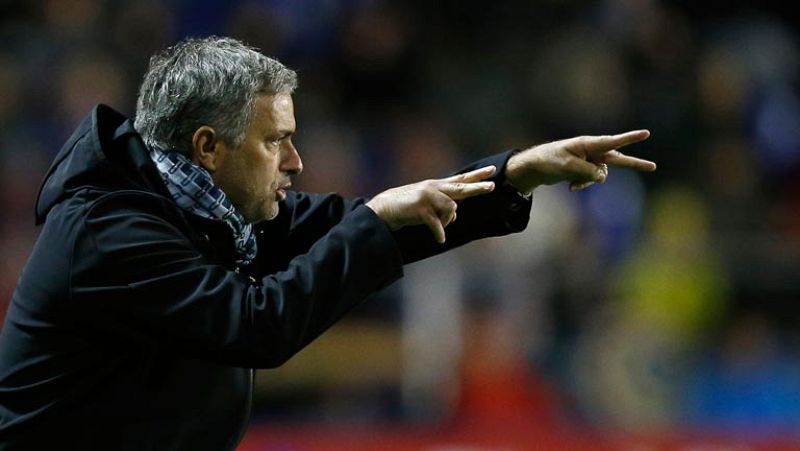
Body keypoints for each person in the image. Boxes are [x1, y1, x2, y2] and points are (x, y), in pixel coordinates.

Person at [0, 36, 655, 450]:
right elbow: (254, 326)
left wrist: (515, 175)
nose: (296, 162)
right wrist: (374, 225)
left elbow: (379, 222)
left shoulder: (211, 214)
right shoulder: (111, 231)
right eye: (275, 141)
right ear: (208, 147)